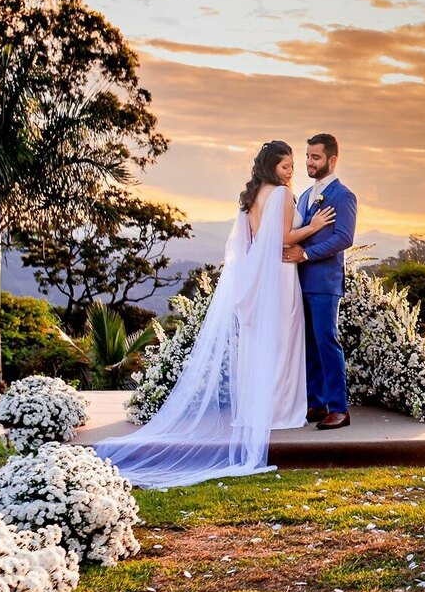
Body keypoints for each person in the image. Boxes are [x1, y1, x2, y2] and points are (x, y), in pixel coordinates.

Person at [94, 140, 335, 488]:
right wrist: (314, 227)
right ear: (272, 167)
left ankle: (256, 409)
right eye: (286, 166)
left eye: (293, 165)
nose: (291, 171)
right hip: (279, 275)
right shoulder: (281, 194)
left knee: (259, 342)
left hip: (257, 273)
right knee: (283, 341)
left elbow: (252, 240)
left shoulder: (252, 195)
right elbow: (283, 237)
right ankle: (280, 412)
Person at [282, 133, 357, 430]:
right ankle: (316, 403)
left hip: (325, 282)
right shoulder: (304, 195)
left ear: (332, 160)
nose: (309, 163)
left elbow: (344, 238)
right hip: (299, 281)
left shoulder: (344, 196)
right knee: (309, 345)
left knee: (327, 342)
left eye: (316, 157)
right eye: (308, 157)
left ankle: (339, 408)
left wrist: (306, 255)